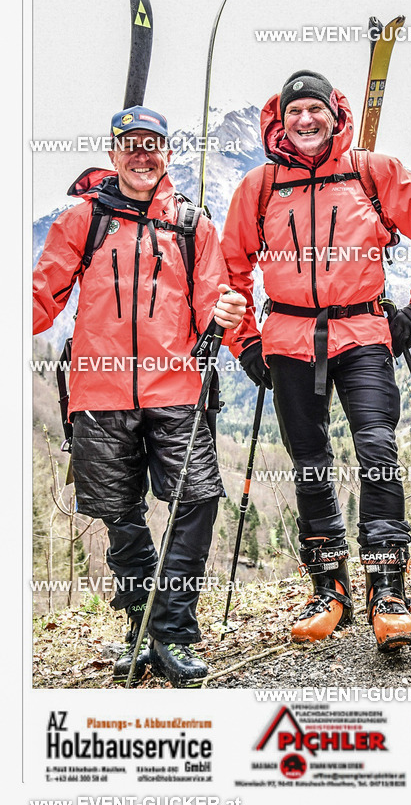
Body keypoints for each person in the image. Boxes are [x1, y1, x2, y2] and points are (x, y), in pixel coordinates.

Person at [214, 70, 411, 651]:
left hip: (365, 332)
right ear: (280, 120)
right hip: (289, 339)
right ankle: (330, 588)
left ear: (334, 114)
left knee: (377, 449)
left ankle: (388, 587)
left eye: (314, 110)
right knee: (309, 461)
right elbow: (229, 268)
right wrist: (245, 341)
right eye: (294, 111)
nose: (305, 120)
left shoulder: (375, 173)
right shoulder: (261, 186)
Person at [33, 106, 247, 685]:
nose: (142, 153)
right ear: (113, 153)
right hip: (98, 393)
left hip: (177, 387)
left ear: (167, 153)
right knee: (121, 515)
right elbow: (40, 296)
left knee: (196, 499)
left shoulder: (192, 224)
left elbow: (211, 301)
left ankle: (170, 631)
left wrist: (225, 312)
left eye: (152, 144)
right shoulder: (83, 220)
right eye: (131, 144)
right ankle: (139, 629)